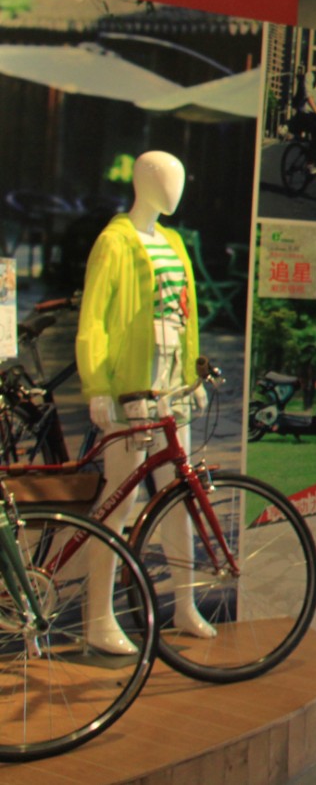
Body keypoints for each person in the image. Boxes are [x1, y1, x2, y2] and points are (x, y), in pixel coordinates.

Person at [76, 151, 211, 653]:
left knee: (179, 494)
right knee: (121, 499)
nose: (175, 189)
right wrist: (97, 385)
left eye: (179, 179)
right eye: (166, 179)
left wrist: (193, 374)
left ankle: (185, 604)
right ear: (143, 181)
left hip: (172, 381)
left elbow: (187, 314)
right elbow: (94, 318)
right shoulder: (115, 242)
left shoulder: (173, 242)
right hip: (132, 384)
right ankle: (98, 617)